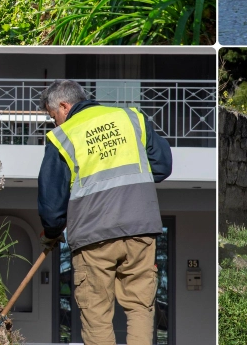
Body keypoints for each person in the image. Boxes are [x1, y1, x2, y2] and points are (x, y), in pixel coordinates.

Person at [37, 79, 173, 345]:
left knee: (96, 313)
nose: (55, 123)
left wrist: (52, 233)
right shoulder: (130, 118)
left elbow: (52, 203)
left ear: (64, 106)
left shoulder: (64, 136)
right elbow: (162, 166)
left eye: (53, 116)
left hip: (93, 236)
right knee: (140, 307)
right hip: (140, 229)